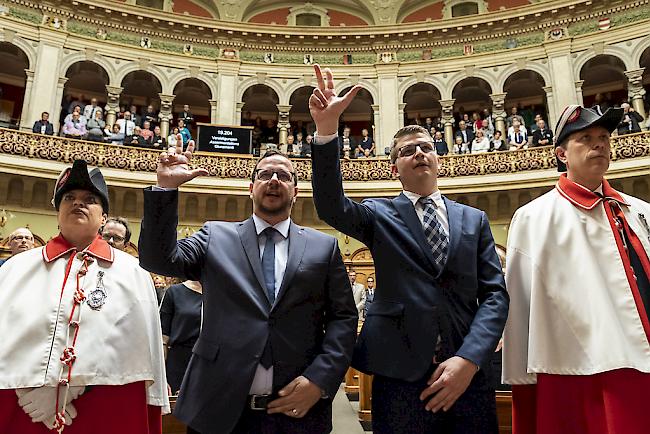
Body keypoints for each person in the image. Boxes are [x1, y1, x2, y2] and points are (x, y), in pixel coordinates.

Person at [309, 64, 509, 434]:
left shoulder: (474, 219)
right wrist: (326, 132)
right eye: (407, 150)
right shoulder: (378, 213)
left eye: (426, 147)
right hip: (400, 374)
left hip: (467, 373)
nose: (419, 154)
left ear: (438, 159)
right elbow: (330, 205)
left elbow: (495, 295)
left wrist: (469, 358)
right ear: (393, 168)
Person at [138, 143, 358, 434]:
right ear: (251, 187)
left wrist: (321, 379)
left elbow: (343, 318)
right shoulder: (215, 236)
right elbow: (159, 260)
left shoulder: (323, 247)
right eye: (266, 174)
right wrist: (165, 190)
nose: (275, 180)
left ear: (297, 192)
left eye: (284, 175)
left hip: (297, 408)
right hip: (217, 405)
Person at [503, 104, 649, 434]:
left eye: (603, 137)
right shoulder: (534, 217)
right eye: (585, 138)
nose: (599, 144)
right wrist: (522, 381)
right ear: (562, 154)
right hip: (581, 368)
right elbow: (520, 306)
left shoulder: (640, 211)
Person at [0, 160, 169, 433]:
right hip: (22, 404)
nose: (78, 203)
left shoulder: (133, 272)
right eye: (69, 198)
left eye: (90, 199)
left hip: (107, 403)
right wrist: (30, 391)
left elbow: (140, 342)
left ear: (103, 218)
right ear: (57, 211)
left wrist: (74, 386)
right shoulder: (16, 268)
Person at [160, 280, 203, 395]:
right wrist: (162, 376)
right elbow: (163, 337)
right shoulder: (174, 292)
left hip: (209, 363)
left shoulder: (220, 294)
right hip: (179, 363)